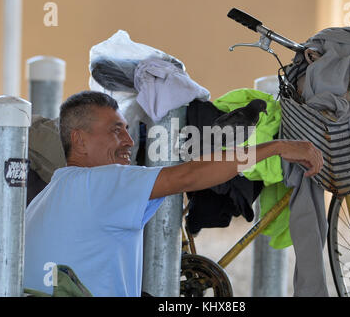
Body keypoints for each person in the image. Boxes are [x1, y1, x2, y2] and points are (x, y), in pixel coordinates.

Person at [24, 90, 323, 297]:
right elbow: (190, 175)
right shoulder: (100, 182)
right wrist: (277, 148)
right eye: (116, 130)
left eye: (127, 130)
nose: (129, 140)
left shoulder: (52, 194)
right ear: (79, 139)